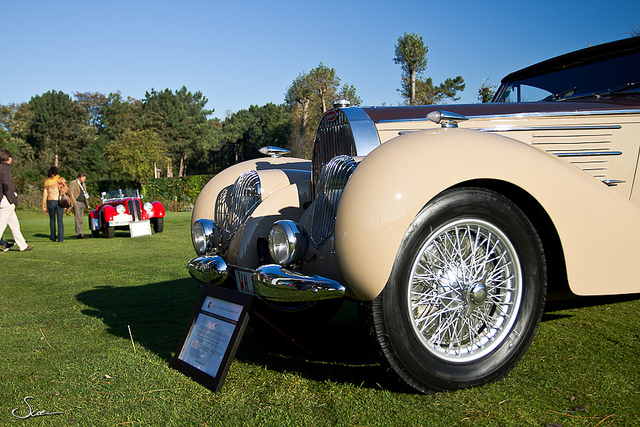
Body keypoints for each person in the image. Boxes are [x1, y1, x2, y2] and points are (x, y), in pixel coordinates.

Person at [0, 149, 34, 252]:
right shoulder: (5, 168)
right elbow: (7, 184)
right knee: (1, 225)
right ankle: (22, 245)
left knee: (14, 224)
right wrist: (12, 198)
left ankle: (22, 245)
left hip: (3, 199)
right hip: (5, 200)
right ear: (9, 158)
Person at [42, 166, 68, 242]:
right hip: (59, 201)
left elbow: (45, 195)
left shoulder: (47, 181)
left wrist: (44, 205)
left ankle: (53, 237)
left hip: (50, 201)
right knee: (60, 220)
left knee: (52, 220)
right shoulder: (60, 180)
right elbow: (64, 190)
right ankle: (60, 238)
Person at [68, 172, 91, 238]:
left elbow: (85, 193)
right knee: (78, 218)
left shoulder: (83, 184)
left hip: (82, 202)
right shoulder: (73, 183)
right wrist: (73, 202)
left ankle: (81, 233)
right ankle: (78, 234)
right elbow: (71, 193)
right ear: (79, 178)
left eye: (84, 177)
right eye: (83, 177)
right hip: (77, 202)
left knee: (81, 219)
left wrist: (87, 204)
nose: (84, 179)